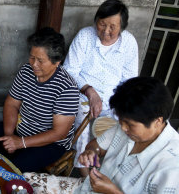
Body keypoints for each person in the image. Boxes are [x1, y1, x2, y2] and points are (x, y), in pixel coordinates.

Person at [24, 77, 179, 194]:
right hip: (85, 189)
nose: (123, 128)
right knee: (23, 181)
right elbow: (96, 146)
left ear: (157, 121)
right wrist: (91, 152)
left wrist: (113, 192)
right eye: (121, 121)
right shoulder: (126, 128)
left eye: (130, 125)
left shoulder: (171, 167)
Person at [0, 28, 79, 172]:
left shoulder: (67, 88)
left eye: (40, 60)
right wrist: (9, 136)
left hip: (50, 143)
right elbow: (12, 104)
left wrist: (21, 143)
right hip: (21, 129)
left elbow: (59, 133)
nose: (34, 64)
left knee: (14, 167)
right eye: (32, 57)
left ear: (57, 61)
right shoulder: (26, 71)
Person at [63, 0, 138, 176]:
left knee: (124, 128)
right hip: (83, 96)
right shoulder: (85, 36)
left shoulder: (129, 43)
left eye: (113, 27)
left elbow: (129, 80)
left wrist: (121, 105)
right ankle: (85, 174)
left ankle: (109, 172)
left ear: (122, 27)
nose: (105, 31)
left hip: (114, 98)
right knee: (82, 125)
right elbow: (69, 70)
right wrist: (90, 91)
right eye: (102, 24)